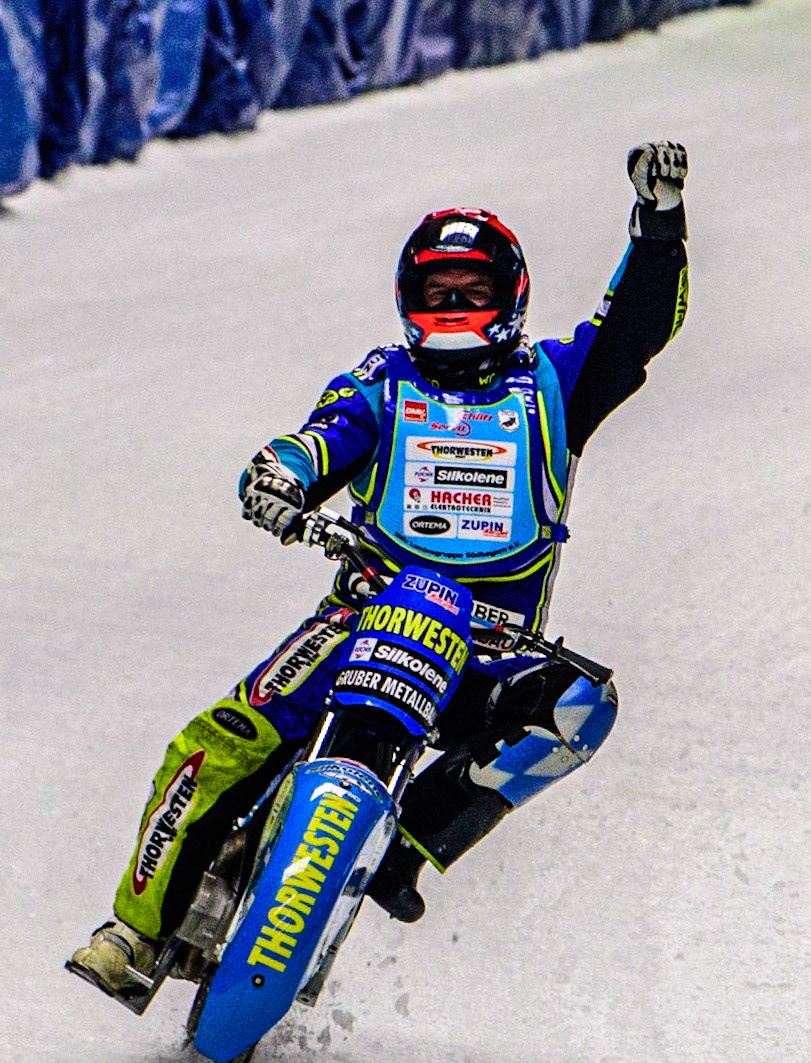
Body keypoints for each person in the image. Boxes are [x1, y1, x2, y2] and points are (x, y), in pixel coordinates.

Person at [72, 142, 689, 994]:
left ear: (510, 298)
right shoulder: (383, 380)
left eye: (473, 290)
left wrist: (659, 228)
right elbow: (319, 438)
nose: (456, 303)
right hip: (360, 624)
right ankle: (132, 933)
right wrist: (278, 476)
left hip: (487, 648)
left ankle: (407, 848)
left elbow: (638, 329)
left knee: (585, 705)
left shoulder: (555, 381)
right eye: (439, 290)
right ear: (410, 300)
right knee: (216, 741)